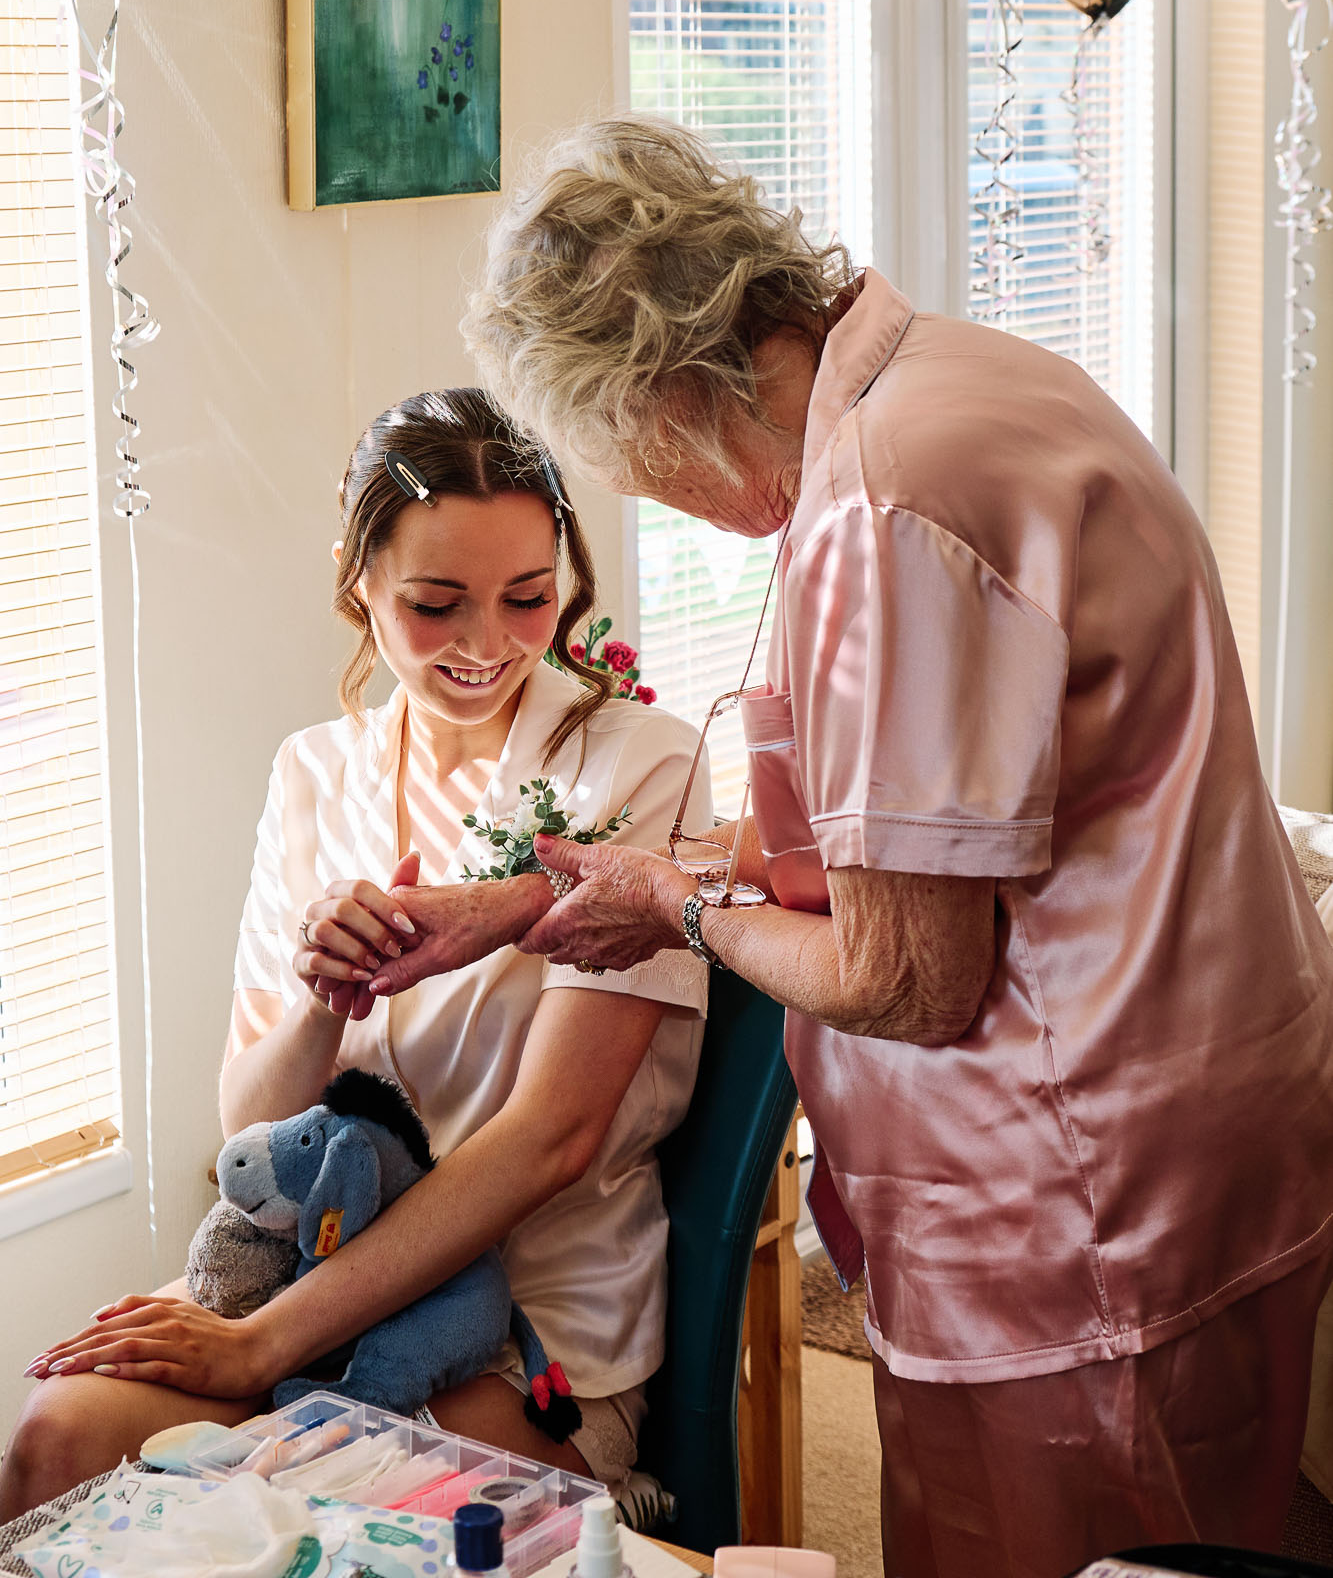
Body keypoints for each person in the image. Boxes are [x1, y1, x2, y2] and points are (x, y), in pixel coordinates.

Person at [442, 115, 1333, 1578]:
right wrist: (528, 900)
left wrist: (676, 906)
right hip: (1207, 1114)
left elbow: (906, 974)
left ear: (653, 395)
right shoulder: (965, 375)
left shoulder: (884, 507)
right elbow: (905, 839)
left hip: (1077, 1190)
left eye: (622, 463)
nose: (654, 498)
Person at [4, 387, 711, 1521]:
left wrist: (257, 1347)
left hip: (521, 1318)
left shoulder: (638, 767)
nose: (489, 644)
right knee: (55, 1438)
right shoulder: (312, 771)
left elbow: (552, 1137)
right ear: (359, 583)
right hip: (302, 1264)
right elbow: (249, 1129)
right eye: (438, 604)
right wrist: (321, 1001)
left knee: (283, 1511)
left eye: (528, 597)